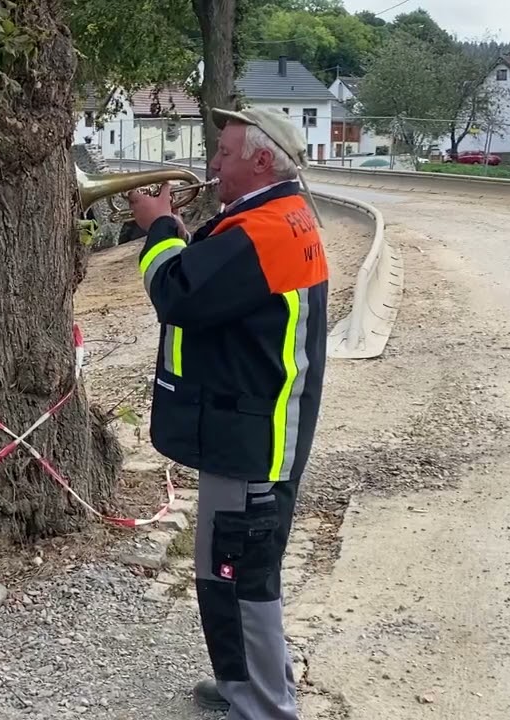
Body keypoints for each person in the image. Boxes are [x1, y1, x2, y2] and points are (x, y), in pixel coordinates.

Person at [127, 107, 329, 720]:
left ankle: (266, 706)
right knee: (229, 570)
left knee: (240, 577)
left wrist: (159, 228)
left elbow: (178, 295)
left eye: (224, 151)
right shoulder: (275, 218)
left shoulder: (263, 231)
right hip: (251, 425)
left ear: (261, 160)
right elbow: (216, 288)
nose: (213, 163)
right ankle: (244, 685)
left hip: (253, 436)